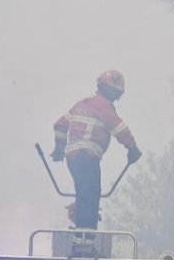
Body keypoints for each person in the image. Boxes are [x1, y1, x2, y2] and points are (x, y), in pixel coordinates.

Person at [50, 69, 142, 230]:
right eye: (116, 94)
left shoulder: (82, 104)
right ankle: (85, 241)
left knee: (84, 193)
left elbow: (60, 124)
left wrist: (59, 148)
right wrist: (132, 147)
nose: (115, 98)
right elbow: (119, 129)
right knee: (90, 196)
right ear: (110, 90)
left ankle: (82, 232)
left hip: (73, 158)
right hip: (87, 157)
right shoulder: (104, 107)